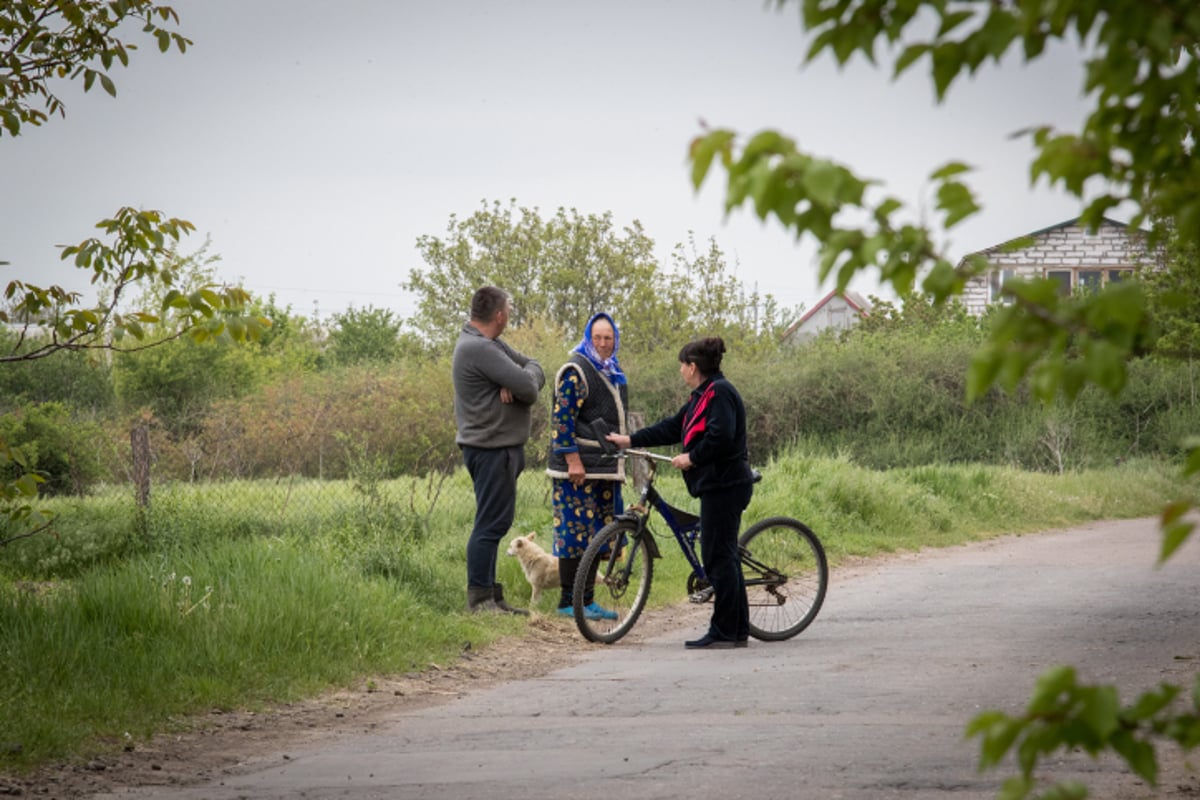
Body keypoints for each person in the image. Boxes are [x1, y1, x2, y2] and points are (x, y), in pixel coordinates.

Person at [606, 337, 754, 649]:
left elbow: (722, 437)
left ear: (693, 367)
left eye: (682, 365)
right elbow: (673, 427)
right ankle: (736, 629)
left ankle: (726, 631)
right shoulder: (702, 396)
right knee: (723, 554)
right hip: (716, 485)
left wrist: (693, 457)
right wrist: (628, 440)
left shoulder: (720, 393)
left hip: (726, 485)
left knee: (717, 556)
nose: (680, 370)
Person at [452, 286, 545, 614]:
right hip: (491, 450)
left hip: (497, 448)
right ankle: (480, 600)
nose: (509, 315)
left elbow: (534, 368)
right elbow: (530, 390)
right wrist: (520, 382)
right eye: (508, 310)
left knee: (494, 521)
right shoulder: (480, 349)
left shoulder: (488, 344)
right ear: (500, 315)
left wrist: (520, 380)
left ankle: (492, 595)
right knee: (490, 524)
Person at [545, 312, 629, 621]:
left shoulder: (611, 371)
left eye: (609, 338)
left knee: (597, 535)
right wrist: (572, 460)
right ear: (588, 338)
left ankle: (588, 601)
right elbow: (562, 418)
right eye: (598, 338)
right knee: (574, 535)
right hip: (578, 469)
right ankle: (570, 602)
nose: (604, 344)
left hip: (604, 467)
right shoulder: (577, 371)